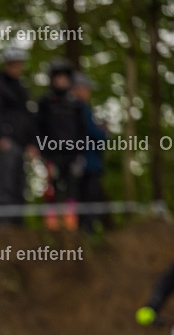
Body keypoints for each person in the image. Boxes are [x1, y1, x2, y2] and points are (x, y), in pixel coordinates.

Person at [0, 46, 36, 227]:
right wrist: (1, 135)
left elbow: (27, 116)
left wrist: (31, 142)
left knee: (19, 182)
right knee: (5, 181)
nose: (17, 68)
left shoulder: (21, 88)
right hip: (6, 141)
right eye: (13, 64)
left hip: (21, 143)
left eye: (19, 64)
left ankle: (17, 224)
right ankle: (2, 224)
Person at [36, 58, 87, 231]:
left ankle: (71, 223)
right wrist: (43, 152)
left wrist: (80, 153)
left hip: (72, 154)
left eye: (65, 78)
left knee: (72, 185)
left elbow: (82, 130)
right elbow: (39, 128)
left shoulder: (75, 105)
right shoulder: (45, 103)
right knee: (52, 186)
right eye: (58, 77)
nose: (61, 81)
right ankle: (51, 224)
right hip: (51, 153)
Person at [72, 72, 108, 233]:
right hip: (86, 163)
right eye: (86, 88)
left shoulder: (82, 109)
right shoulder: (80, 109)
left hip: (86, 162)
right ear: (78, 89)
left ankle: (87, 230)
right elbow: (93, 133)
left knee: (88, 197)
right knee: (88, 197)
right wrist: (103, 133)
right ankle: (87, 231)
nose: (88, 92)